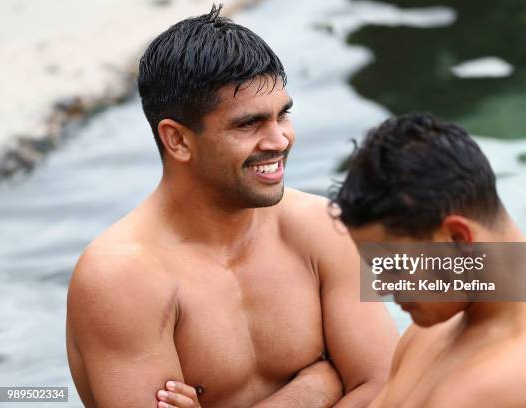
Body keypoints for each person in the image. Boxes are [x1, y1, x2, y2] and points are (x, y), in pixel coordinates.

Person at [65, 6, 398, 408]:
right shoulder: (123, 278)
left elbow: (388, 390)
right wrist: (316, 387)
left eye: (283, 115)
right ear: (178, 141)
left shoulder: (318, 229)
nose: (279, 140)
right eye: (249, 124)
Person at [330, 113, 526, 407]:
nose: (383, 287)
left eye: (395, 266)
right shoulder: (443, 321)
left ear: (458, 238)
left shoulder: (498, 385)